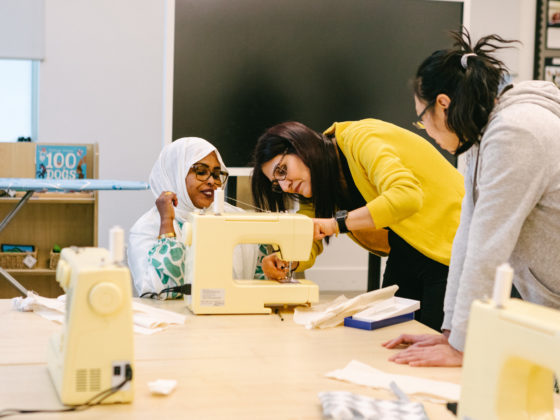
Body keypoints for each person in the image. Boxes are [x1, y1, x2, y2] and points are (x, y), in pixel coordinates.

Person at [383, 29, 560, 366]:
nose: (429, 133)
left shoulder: (516, 132)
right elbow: (466, 235)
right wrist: (452, 332)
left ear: (443, 104)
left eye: (423, 122)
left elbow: (489, 242)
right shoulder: (485, 136)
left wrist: (463, 346)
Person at [251, 119, 464, 330]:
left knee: (433, 344)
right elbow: (310, 230)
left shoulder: (362, 139)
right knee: (394, 338)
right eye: (277, 183)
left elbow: (406, 196)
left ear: (300, 146)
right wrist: (288, 260)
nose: (285, 185)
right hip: (407, 248)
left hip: (450, 244)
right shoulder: (321, 180)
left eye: (282, 170)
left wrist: (337, 224)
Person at [128, 137, 264, 299]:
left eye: (216, 174)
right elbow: (164, 292)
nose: (212, 181)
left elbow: (260, 281)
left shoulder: (238, 218)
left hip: (234, 320)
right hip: (174, 321)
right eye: (201, 172)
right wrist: (167, 224)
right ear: (175, 173)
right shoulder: (147, 228)